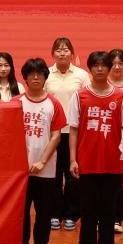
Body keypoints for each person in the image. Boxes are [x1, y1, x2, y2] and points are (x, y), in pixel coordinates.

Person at [68, 50, 123, 244]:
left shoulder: (120, 96)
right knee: (87, 209)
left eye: (103, 65)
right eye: (95, 65)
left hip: (112, 162)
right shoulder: (80, 96)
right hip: (86, 161)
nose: (99, 69)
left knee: (108, 209)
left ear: (109, 68)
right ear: (90, 68)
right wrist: (73, 159)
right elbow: (74, 129)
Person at [12, 58, 64, 244]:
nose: (35, 77)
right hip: (20, 170)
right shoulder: (15, 102)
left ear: (45, 77)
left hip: (46, 169)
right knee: (21, 211)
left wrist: (42, 161)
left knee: (44, 210)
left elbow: (56, 136)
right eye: (31, 74)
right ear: (25, 78)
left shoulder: (53, 103)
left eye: (40, 74)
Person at [45, 37, 89, 231]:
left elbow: (87, 101)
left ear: (72, 53)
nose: (62, 53)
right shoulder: (46, 74)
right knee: (54, 175)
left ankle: (71, 214)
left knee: (73, 175)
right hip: (53, 133)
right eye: (58, 50)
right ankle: (54, 213)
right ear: (53, 53)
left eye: (66, 50)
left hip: (74, 132)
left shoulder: (82, 75)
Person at [109, 48, 123, 233]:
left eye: (120, 63)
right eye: (113, 63)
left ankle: (117, 218)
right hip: (105, 138)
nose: (116, 67)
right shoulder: (102, 84)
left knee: (120, 180)